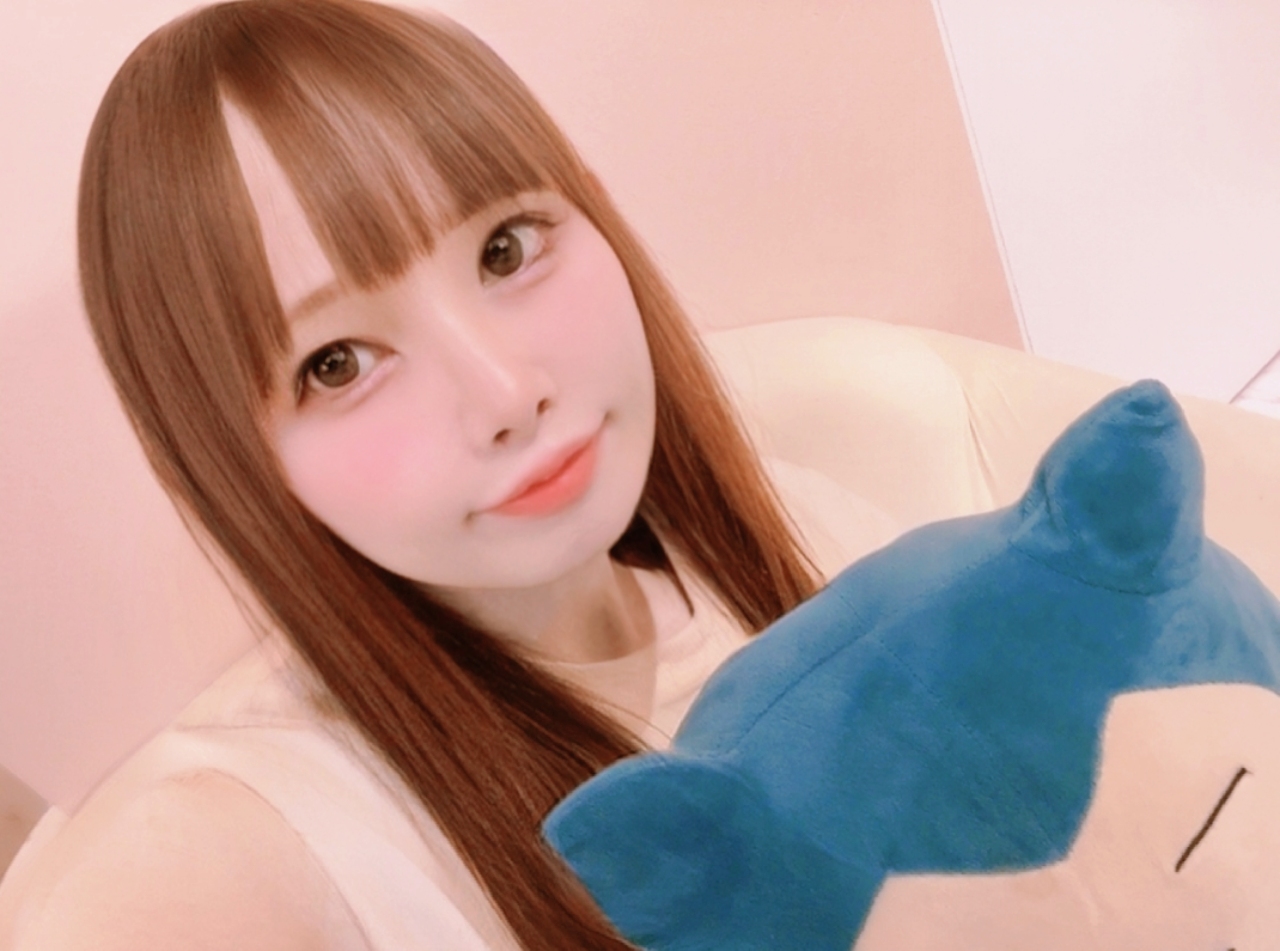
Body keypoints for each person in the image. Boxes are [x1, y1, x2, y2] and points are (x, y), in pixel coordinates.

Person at [0, 1, 896, 949]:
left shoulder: (817, 537)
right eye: (337, 363)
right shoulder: (248, 847)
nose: (506, 393)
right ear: (226, 463)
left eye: (505, 249)